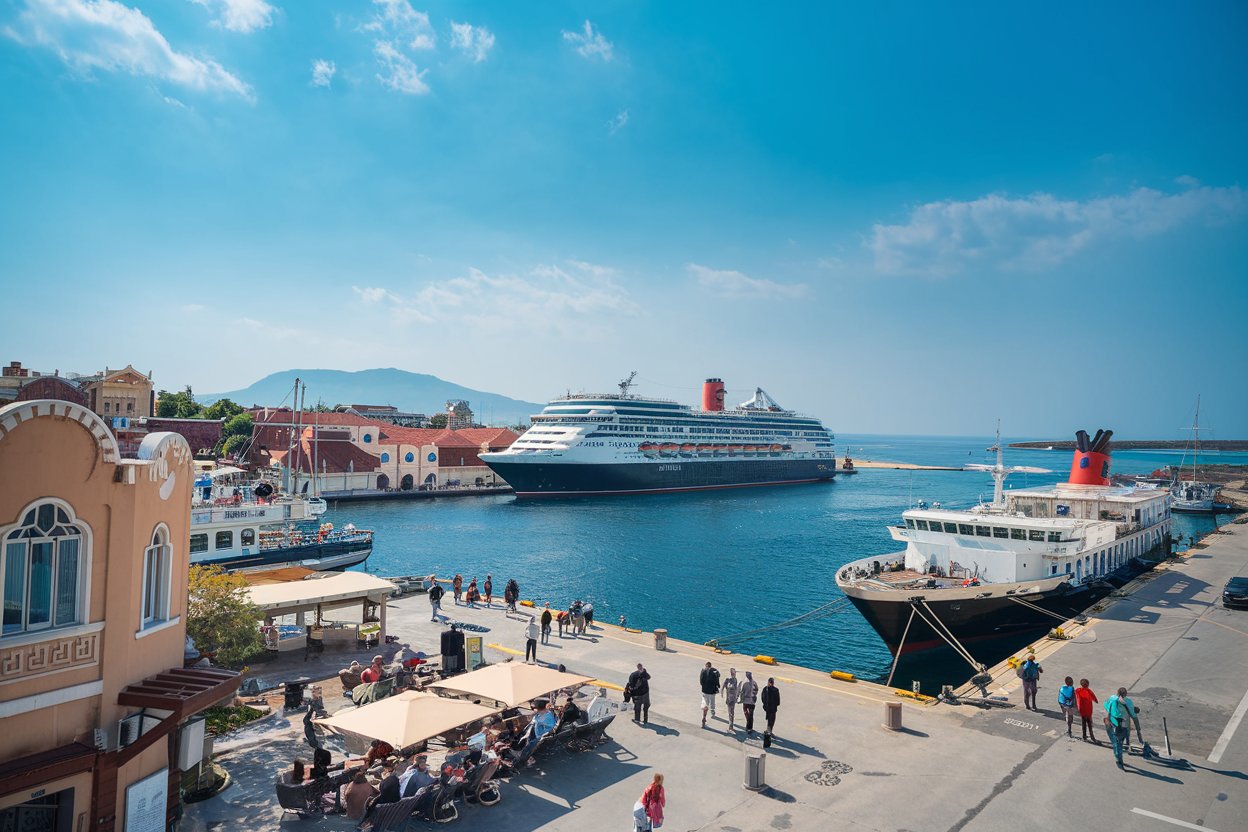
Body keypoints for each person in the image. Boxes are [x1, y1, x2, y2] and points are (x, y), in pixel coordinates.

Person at [1105, 686, 1134, 769]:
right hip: (1121, 727)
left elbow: (1106, 705)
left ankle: (1118, 757)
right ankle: (1119, 759)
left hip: (1111, 724)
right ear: (1125, 694)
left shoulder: (1112, 698)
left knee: (1115, 742)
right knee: (1119, 743)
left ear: (1117, 692)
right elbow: (1132, 714)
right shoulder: (1127, 702)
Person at [1074, 678, 1100, 744]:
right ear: (1088, 685)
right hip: (1089, 711)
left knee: (1083, 724)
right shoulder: (1089, 691)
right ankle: (1092, 737)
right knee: (1089, 724)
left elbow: (1074, 693)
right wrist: (1095, 700)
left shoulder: (1078, 691)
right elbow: (1095, 699)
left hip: (1082, 711)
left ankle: (1084, 737)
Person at [699, 661, 721, 728]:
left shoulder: (703, 670)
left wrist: (703, 686)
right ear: (710, 666)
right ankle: (712, 711)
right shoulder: (714, 670)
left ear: (705, 665)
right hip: (712, 691)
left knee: (705, 703)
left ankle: (704, 715)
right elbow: (718, 677)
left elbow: (701, 681)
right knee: (712, 701)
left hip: (705, 691)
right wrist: (718, 686)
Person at [739, 671, 759, 735]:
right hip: (751, 701)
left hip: (746, 701)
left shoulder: (745, 683)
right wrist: (754, 695)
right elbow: (756, 690)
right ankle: (749, 726)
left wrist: (741, 700)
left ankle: (748, 725)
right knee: (751, 714)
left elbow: (742, 692)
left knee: (746, 713)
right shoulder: (754, 683)